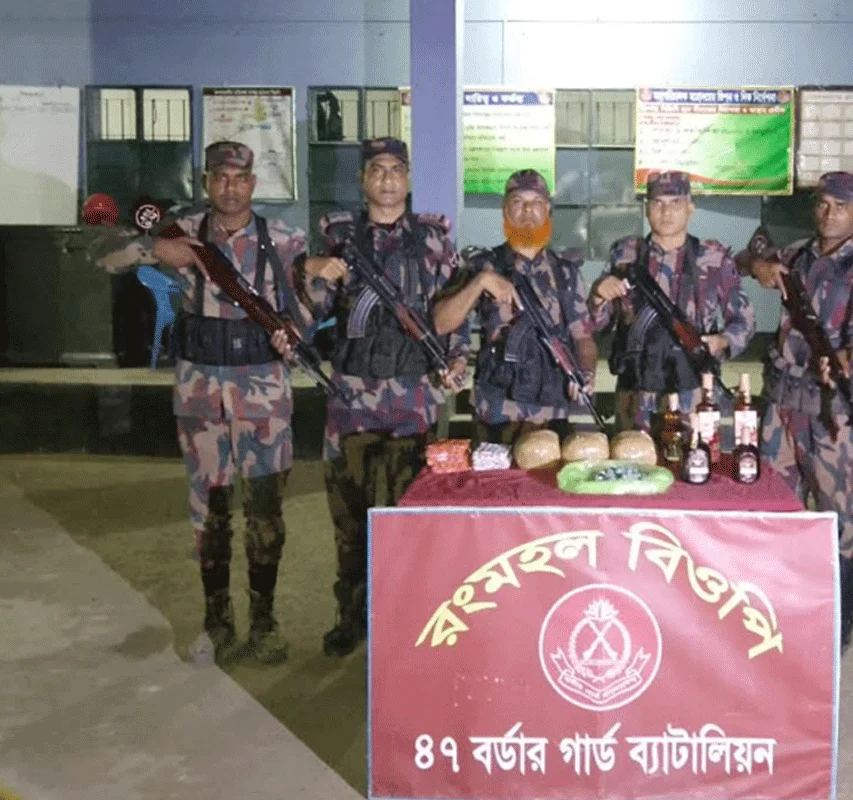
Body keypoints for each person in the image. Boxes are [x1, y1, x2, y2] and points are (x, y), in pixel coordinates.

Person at [114, 141, 308, 665]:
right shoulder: (182, 232)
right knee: (209, 514)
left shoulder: (284, 239)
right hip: (201, 396)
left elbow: (305, 308)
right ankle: (216, 622)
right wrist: (154, 249)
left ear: (253, 183)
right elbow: (105, 256)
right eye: (220, 177)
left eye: (240, 178)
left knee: (265, 512)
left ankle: (264, 622)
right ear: (206, 183)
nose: (230, 187)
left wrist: (293, 333)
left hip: (262, 396)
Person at [295, 137, 469, 657]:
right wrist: (308, 270)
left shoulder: (434, 241)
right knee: (349, 518)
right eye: (377, 170)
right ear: (363, 179)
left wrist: (457, 359)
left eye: (396, 169)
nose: (388, 179)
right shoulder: (339, 238)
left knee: (408, 517)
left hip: (414, 397)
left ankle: (405, 621)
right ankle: (350, 616)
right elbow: (309, 308)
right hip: (352, 397)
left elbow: (451, 309)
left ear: (408, 178)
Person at [737, 172, 853, 655]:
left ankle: (839, 626)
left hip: (832, 415)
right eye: (823, 205)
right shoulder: (793, 256)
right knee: (774, 513)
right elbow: (743, 260)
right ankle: (777, 616)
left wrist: (852, 358)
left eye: (841, 207)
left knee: (841, 523)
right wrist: (758, 265)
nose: (830, 214)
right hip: (780, 409)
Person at [432, 169, 599, 443]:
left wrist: (587, 372)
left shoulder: (565, 272)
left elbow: (583, 337)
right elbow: (444, 324)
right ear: (505, 211)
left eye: (536, 202)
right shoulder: (482, 266)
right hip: (497, 407)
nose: (528, 210)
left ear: (548, 210)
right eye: (518, 202)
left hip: (552, 408)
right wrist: (481, 282)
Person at [587, 170, 754, 431]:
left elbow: (744, 320)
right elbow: (598, 323)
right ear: (646, 209)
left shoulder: (713, 257)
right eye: (658, 203)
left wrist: (722, 341)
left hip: (692, 393)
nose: (666, 212)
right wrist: (598, 296)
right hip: (635, 395)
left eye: (676, 203)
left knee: (694, 456)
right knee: (633, 458)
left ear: (690, 209)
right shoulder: (625, 254)